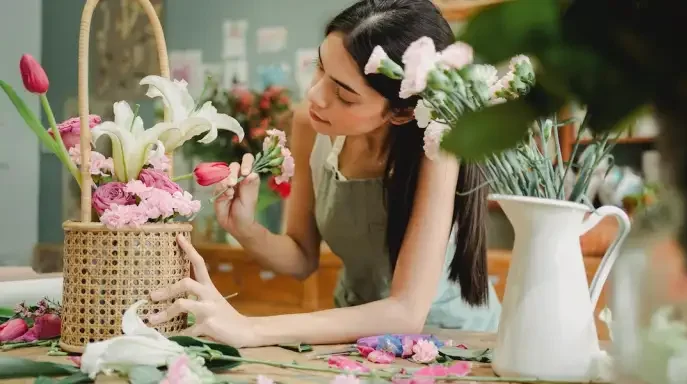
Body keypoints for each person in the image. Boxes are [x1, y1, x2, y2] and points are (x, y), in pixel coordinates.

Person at [148, 0, 501, 348]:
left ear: (401, 112)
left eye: (344, 95)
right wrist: (245, 227)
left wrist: (250, 328)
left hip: (449, 341)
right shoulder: (310, 124)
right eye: (320, 68)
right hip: (354, 334)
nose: (315, 95)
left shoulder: (439, 148)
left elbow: (406, 312)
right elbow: (301, 257)